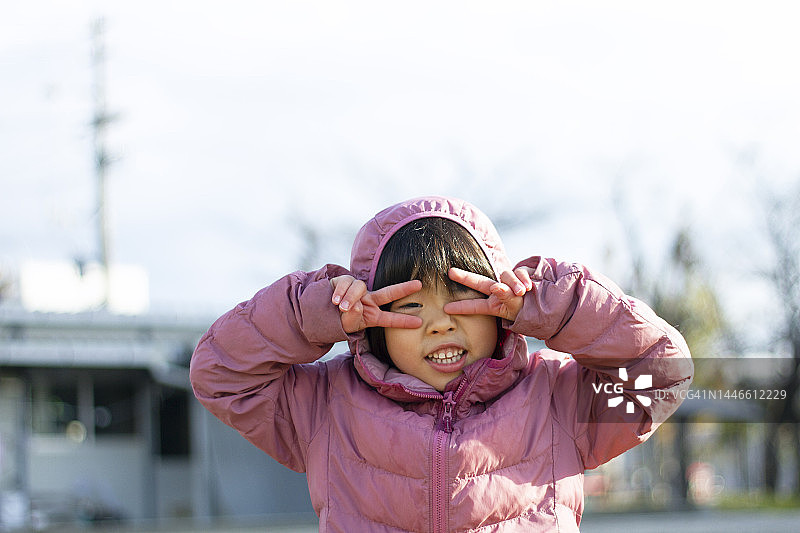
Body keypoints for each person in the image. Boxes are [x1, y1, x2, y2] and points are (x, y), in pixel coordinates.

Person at [190, 195, 693, 532]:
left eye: (462, 299)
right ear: (372, 320)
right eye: (411, 306)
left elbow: (663, 371)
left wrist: (550, 303)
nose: (439, 324)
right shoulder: (325, 405)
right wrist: (316, 312)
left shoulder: (556, 399)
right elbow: (219, 371)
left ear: (501, 306)